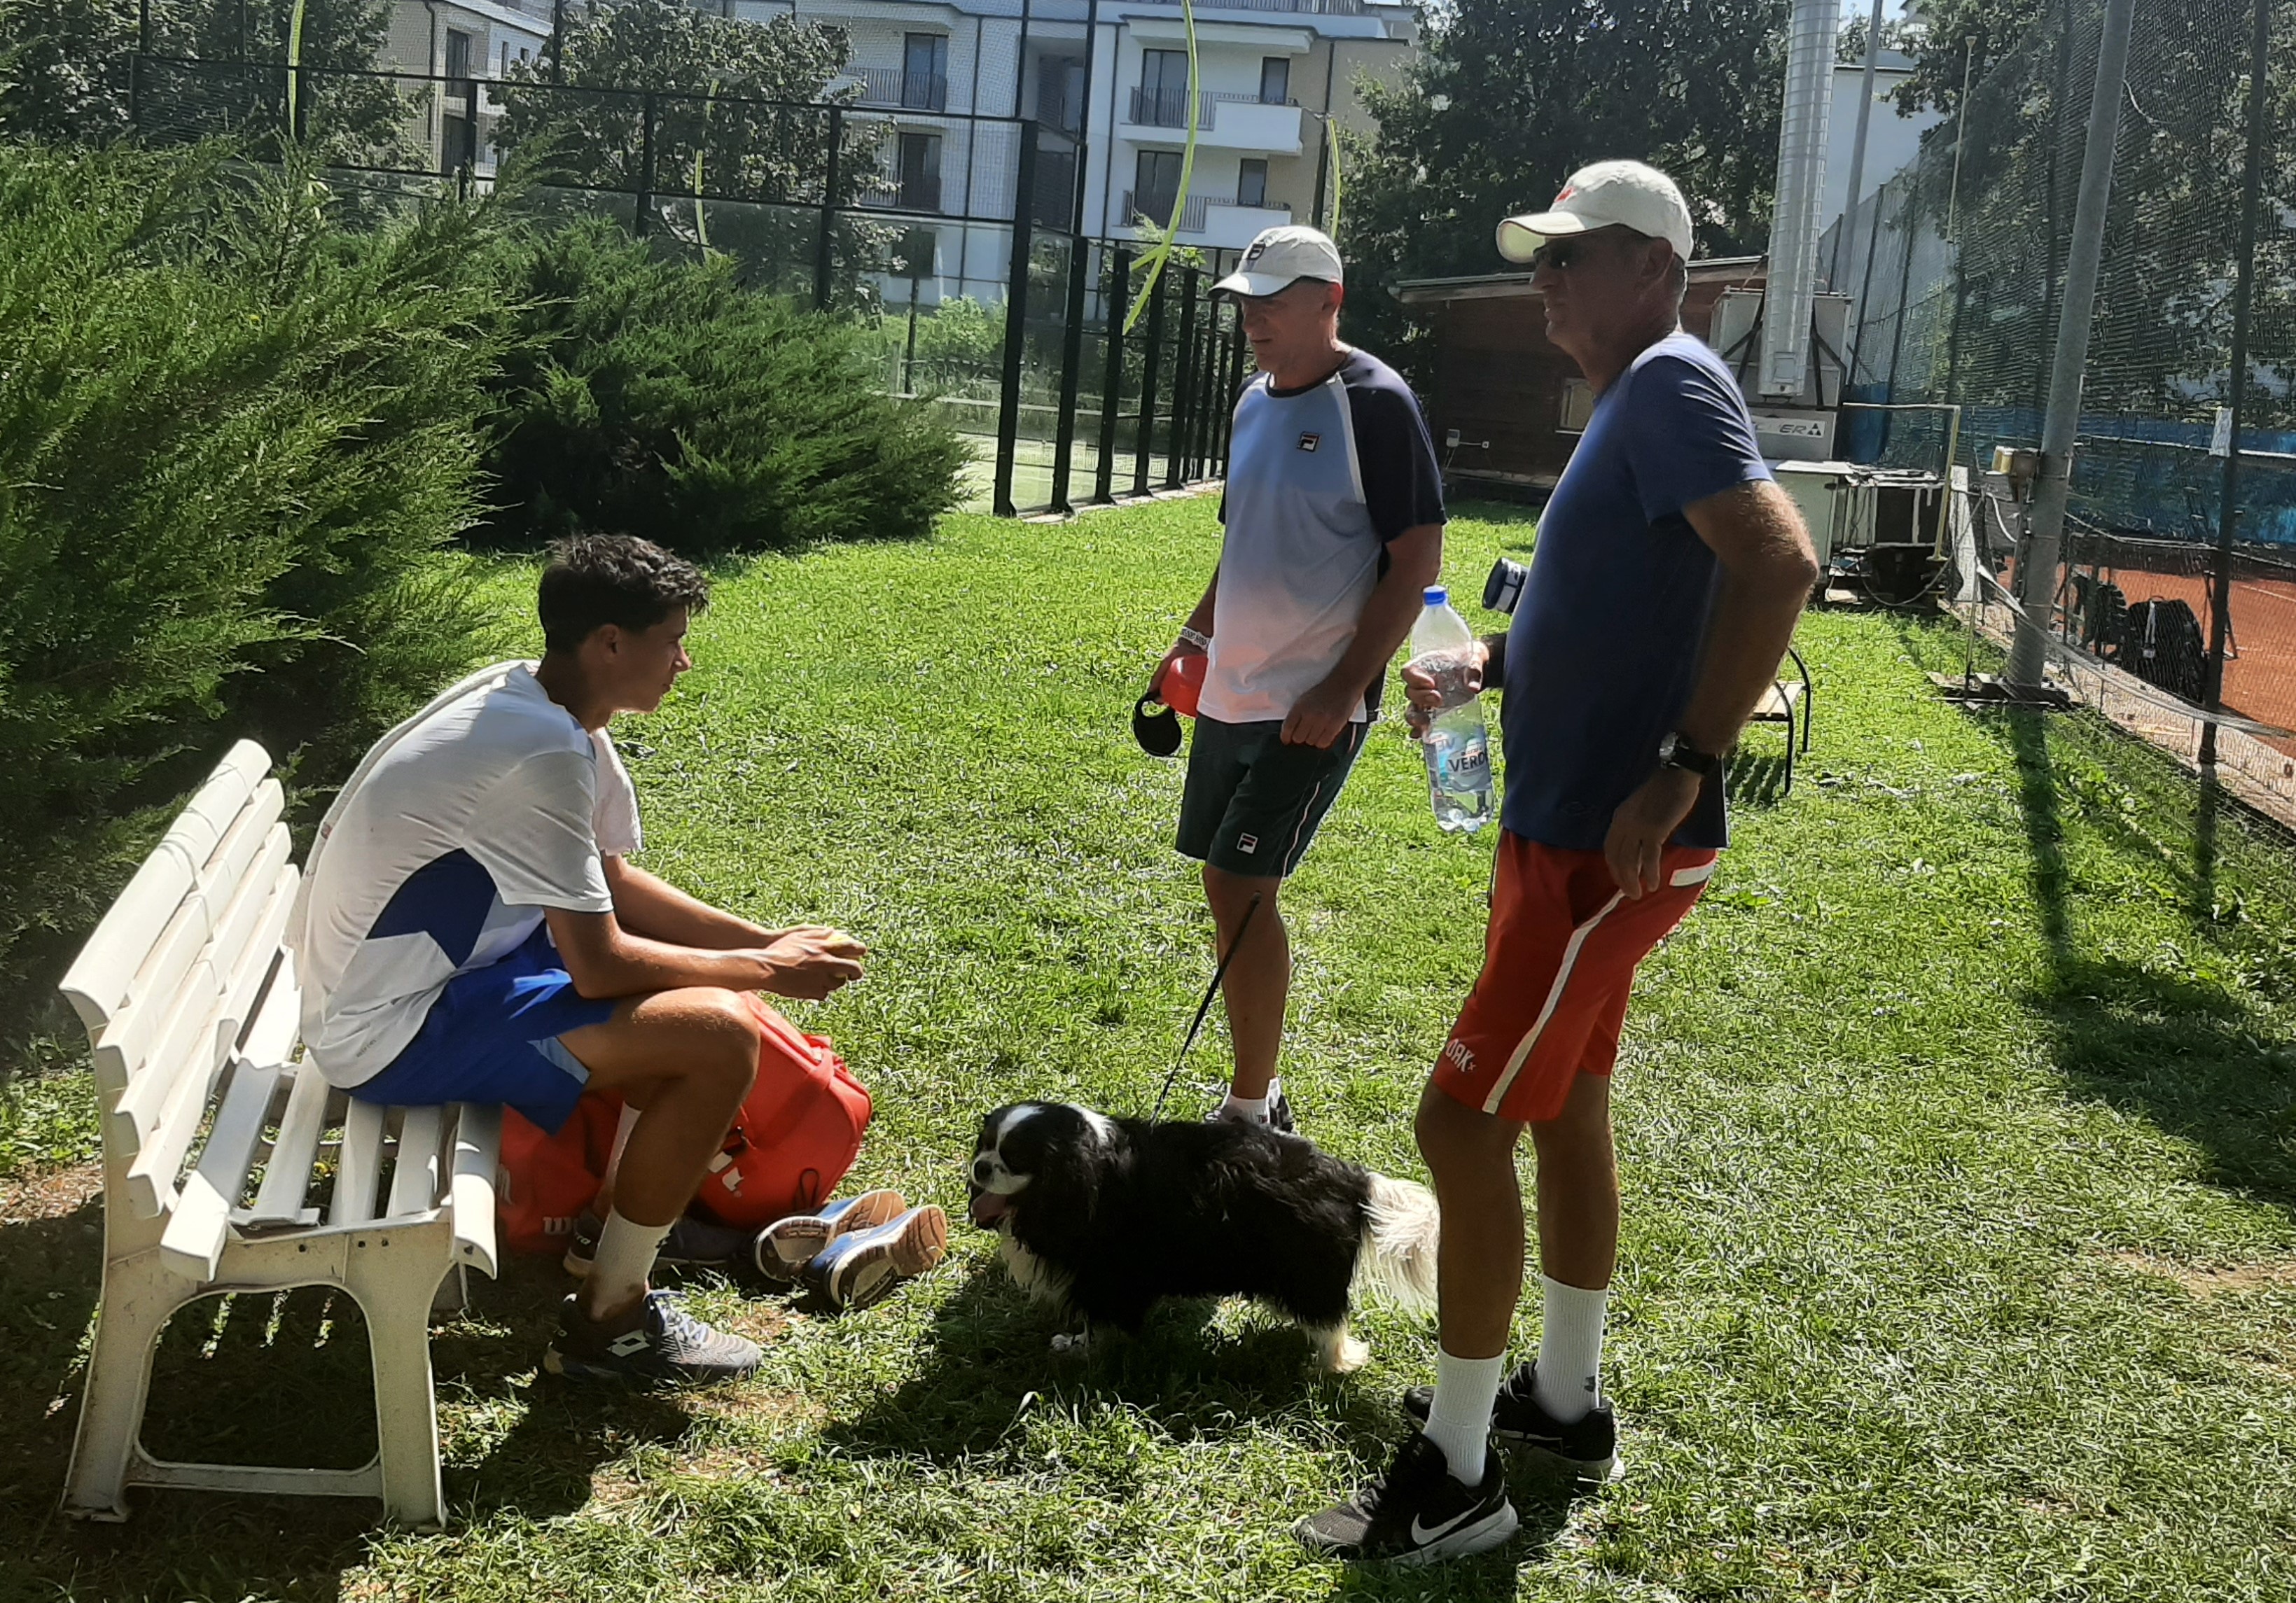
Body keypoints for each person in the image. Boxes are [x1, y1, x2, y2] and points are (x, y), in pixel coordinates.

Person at [1297, 162, 1819, 1562]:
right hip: (1571, 833)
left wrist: (1684, 761)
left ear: (1657, 269)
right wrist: (1490, 661)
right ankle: (1564, 1399)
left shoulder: (1667, 383)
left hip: (1606, 844)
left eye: (1572, 255)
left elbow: (1778, 565)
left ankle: (1458, 1476)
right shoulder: (1632, 400)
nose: (1544, 279)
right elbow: (1612, 611)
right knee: (1565, 1103)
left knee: (1458, 1126)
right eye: (1539, 255)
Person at [291, 533, 901, 1386]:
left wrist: (763, 942)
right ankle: (610, 1323)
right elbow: (601, 967)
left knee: (701, 1019)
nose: (684, 662)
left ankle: (612, 1227)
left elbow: (611, 881)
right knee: (718, 1037)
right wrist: (767, 972)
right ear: (609, 642)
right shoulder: (540, 750)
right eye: (671, 641)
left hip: (422, 987)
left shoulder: (537, 701)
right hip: (389, 1030)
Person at [1152, 225, 1446, 1133]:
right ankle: (1261, 1093)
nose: (1254, 318)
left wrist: (1343, 687)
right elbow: (1241, 540)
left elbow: (1417, 558)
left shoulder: (1376, 403)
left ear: (1330, 299)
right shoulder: (1251, 402)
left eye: (1273, 300)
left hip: (1312, 705)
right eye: (1246, 302)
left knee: (1238, 884)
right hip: (1231, 689)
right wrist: (1192, 638)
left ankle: (1252, 1107)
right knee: (1224, 883)